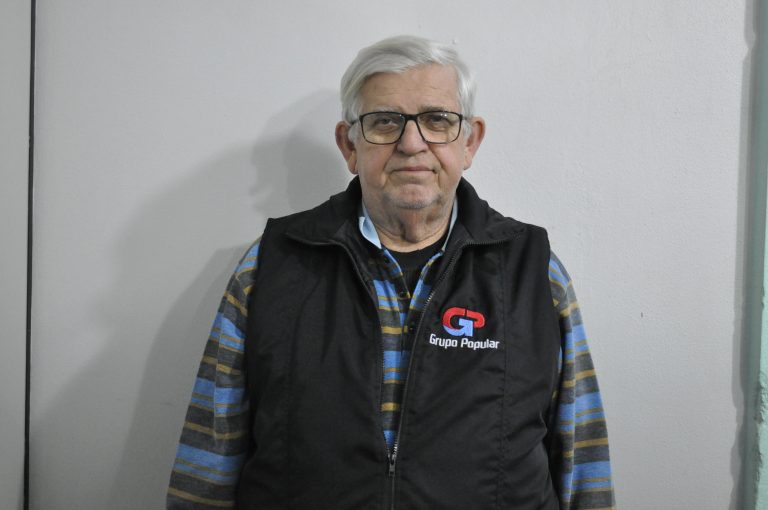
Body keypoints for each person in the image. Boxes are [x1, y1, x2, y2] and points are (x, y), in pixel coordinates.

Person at [167, 35, 615, 510]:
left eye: (437, 120)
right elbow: (208, 458)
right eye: (385, 121)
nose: (411, 144)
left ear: (469, 141)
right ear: (350, 145)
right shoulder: (271, 267)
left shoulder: (534, 272)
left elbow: (582, 462)